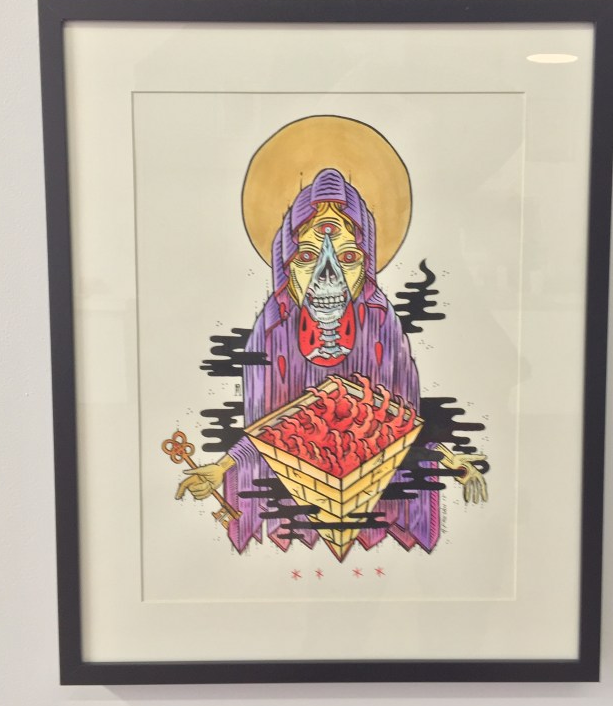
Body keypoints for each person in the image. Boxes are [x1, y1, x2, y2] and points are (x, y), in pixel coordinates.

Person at [176, 167, 487, 554]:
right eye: (308, 256)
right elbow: (268, 433)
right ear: (285, 265)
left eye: (348, 257)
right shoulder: (272, 331)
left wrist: (449, 459)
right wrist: (221, 467)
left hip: (374, 507)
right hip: (291, 511)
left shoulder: (381, 324)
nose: (329, 277)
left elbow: (400, 425)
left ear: (366, 266)